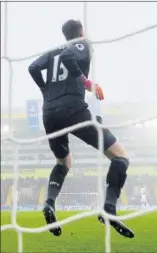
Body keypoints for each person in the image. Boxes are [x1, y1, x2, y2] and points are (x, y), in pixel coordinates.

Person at [28, 19, 134, 238]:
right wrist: (87, 83)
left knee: (64, 161)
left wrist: (46, 91)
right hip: (73, 109)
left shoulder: (53, 50)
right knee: (120, 157)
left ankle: (49, 203)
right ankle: (109, 209)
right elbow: (69, 57)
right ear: (81, 32)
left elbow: (33, 67)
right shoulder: (83, 44)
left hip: (49, 113)